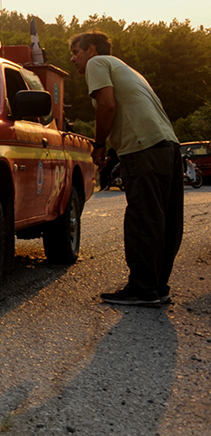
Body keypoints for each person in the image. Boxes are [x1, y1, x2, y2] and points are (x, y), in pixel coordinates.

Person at [69, 31, 182, 307]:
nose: (73, 59)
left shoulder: (98, 64)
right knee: (164, 220)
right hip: (167, 145)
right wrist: (111, 149)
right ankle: (157, 286)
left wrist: (97, 145)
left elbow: (107, 106)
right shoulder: (127, 69)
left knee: (142, 218)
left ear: (91, 50)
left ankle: (142, 290)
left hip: (143, 149)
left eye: (75, 52)